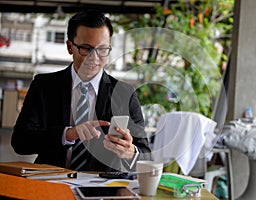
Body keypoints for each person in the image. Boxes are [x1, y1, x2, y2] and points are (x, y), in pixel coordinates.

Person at [11, 10, 151, 172]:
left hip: (101, 187)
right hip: (51, 180)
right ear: (70, 47)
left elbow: (145, 155)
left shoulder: (124, 93)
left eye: (103, 49)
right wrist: (67, 134)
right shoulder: (44, 86)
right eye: (86, 48)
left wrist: (130, 152)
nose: (95, 58)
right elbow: (20, 142)